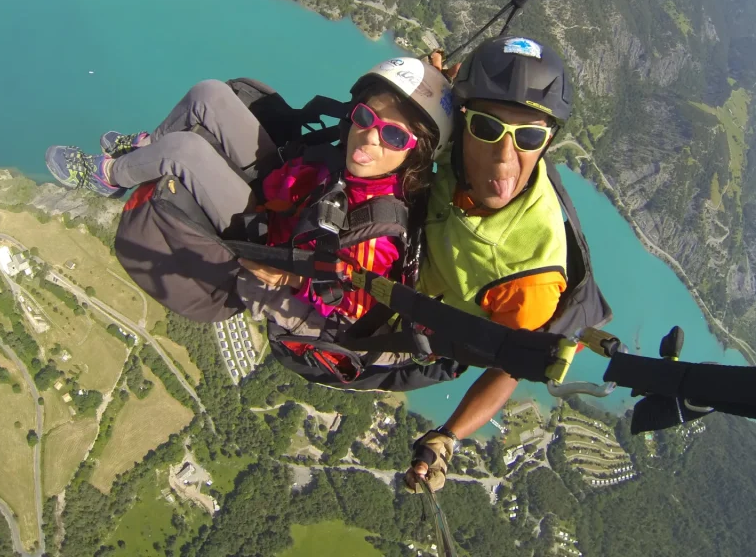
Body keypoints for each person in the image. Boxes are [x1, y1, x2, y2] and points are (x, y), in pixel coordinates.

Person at [44, 61, 454, 367]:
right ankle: (146, 148)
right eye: (366, 117)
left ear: (413, 156)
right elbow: (395, 117)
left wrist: (293, 276)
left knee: (184, 153)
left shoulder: (376, 233)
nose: (370, 135)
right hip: (286, 185)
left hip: (266, 235)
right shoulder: (362, 163)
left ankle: (108, 176)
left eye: (395, 136)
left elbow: (357, 303)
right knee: (208, 95)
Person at [403, 34, 575, 494]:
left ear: (548, 141)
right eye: (487, 129)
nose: (504, 158)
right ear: (463, 122)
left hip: (414, 335)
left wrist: (447, 436)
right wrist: (418, 93)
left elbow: (510, 365)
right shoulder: (455, 144)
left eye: (530, 137)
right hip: (399, 262)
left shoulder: (530, 275)